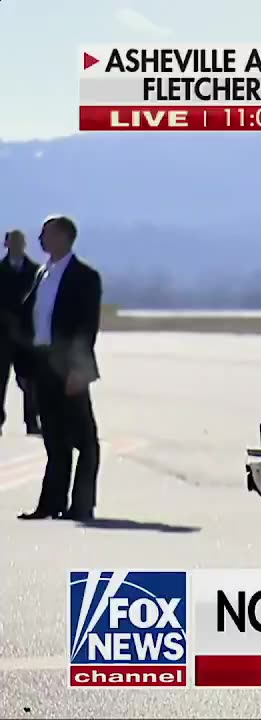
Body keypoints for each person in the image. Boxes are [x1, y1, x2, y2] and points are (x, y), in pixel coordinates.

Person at [16, 215, 102, 522]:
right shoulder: (43, 274)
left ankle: (82, 504)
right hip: (43, 365)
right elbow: (31, 323)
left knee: (85, 440)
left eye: (46, 234)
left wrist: (79, 370)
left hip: (70, 366)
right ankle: (50, 503)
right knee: (54, 439)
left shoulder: (85, 277)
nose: (40, 240)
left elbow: (86, 328)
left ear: (65, 237)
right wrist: (24, 369)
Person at [1, 229, 40, 435]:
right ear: (6, 244)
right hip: (2, 335)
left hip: (26, 335)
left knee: (30, 380)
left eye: (19, 242)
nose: (16, 245)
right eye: (12, 241)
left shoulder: (36, 272)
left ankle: (32, 420)